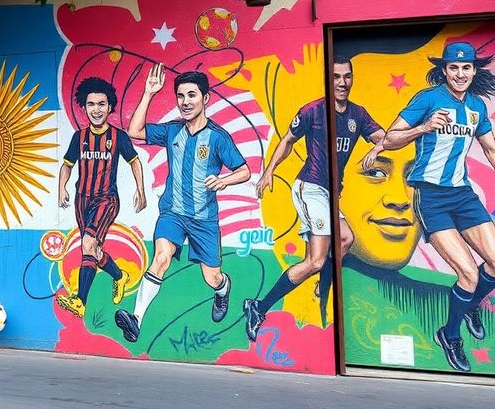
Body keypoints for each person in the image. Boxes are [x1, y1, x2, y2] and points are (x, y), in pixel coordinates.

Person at [245, 56, 386, 340]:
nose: (342, 82)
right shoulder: (313, 111)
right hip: (310, 187)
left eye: (347, 76)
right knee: (317, 260)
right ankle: (259, 307)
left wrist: (379, 147)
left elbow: (384, 136)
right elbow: (287, 141)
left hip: (330, 194)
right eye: (336, 77)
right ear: (328, 79)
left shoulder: (358, 115)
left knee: (345, 239)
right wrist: (268, 171)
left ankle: (321, 284)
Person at [382, 42, 495, 373]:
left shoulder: (476, 106)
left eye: (466, 68)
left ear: (474, 71)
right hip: (431, 197)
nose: (460, 74)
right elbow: (389, 138)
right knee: (469, 273)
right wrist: (423, 127)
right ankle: (450, 334)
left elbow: (489, 147)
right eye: (454, 68)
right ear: (444, 70)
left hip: (462, 193)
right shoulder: (427, 99)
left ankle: (470, 304)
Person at [115, 66, 250, 343]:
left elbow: (244, 170)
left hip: (204, 219)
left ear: (205, 99)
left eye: (191, 95)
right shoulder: (172, 131)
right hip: (173, 213)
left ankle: (223, 289)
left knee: (211, 278)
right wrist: (149, 93)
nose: (185, 101)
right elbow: (135, 130)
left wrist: (225, 181)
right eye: (180, 96)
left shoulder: (217, 137)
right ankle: (136, 319)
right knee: (161, 258)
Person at [55, 77, 146, 318]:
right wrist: (62, 188)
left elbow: (135, 162)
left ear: (110, 107)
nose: (96, 109)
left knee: (87, 243)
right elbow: (67, 165)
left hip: (106, 199)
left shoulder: (118, 137)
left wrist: (141, 190)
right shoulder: (79, 137)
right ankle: (120, 276)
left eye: (102, 104)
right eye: (91, 104)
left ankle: (80, 301)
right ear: (84, 108)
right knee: (93, 251)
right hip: (81, 200)